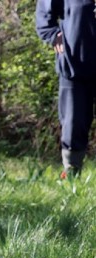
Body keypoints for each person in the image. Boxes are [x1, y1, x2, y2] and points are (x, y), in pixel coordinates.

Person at [36, 0, 96, 177]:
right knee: (73, 121)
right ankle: (71, 172)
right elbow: (45, 12)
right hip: (74, 63)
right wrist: (53, 34)